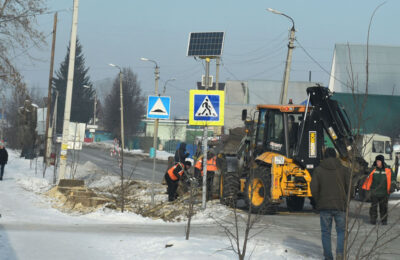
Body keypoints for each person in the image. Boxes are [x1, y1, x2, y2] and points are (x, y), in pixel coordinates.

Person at [310, 147, 350, 260]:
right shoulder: (344, 170)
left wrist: (318, 201)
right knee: (341, 231)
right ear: (335, 156)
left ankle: (328, 257)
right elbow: (350, 188)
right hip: (340, 206)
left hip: (324, 206)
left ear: (325, 157)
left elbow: (313, 188)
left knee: (326, 233)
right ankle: (340, 254)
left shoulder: (318, 170)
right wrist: (346, 200)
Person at [362, 154, 396, 225]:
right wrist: (367, 190)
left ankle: (384, 221)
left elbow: (393, 179)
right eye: (377, 161)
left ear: (382, 162)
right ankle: (373, 220)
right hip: (374, 193)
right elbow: (368, 180)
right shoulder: (373, 170)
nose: (377, 162)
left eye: (379, 161)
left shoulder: (388, 170)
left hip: (384, 193)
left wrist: (393, 185)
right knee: (373, 208)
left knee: (383, 208)